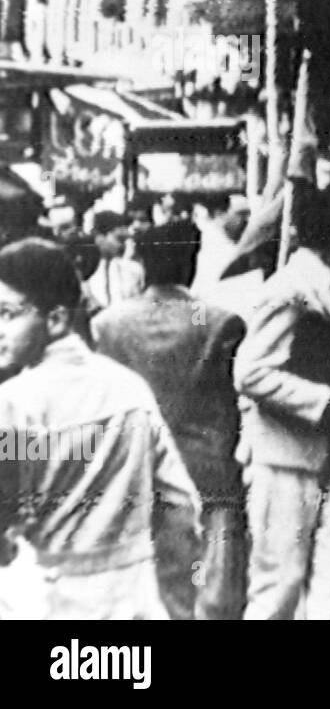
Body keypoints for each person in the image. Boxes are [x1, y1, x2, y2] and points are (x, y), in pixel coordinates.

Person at [0, 238, 202, 619]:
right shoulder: (130, 389)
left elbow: (5, 507)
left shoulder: (16, 405)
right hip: (135, 593)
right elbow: (179, 504)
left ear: (56, 318)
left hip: (47, 597)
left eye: (8, 314)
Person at [234, 185, 330, 620]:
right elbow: (251, 372)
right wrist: (326, 402)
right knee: (279, 584)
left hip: (326, 450)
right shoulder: (289, 289)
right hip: (285, 454)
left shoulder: (324, 286)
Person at [93, 220, 248, 619]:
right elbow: (235, 404)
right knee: (215, 595)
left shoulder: (107, 324)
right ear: (191, 261)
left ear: (142, 263)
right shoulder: (222, 323)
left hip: (134, 470)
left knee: (145, 586)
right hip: (209, 474)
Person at [83, 210, 145, 314]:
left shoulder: (132, 268)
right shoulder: (86, 267)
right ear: (100, 237)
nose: (121, 245)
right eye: (119, 239)